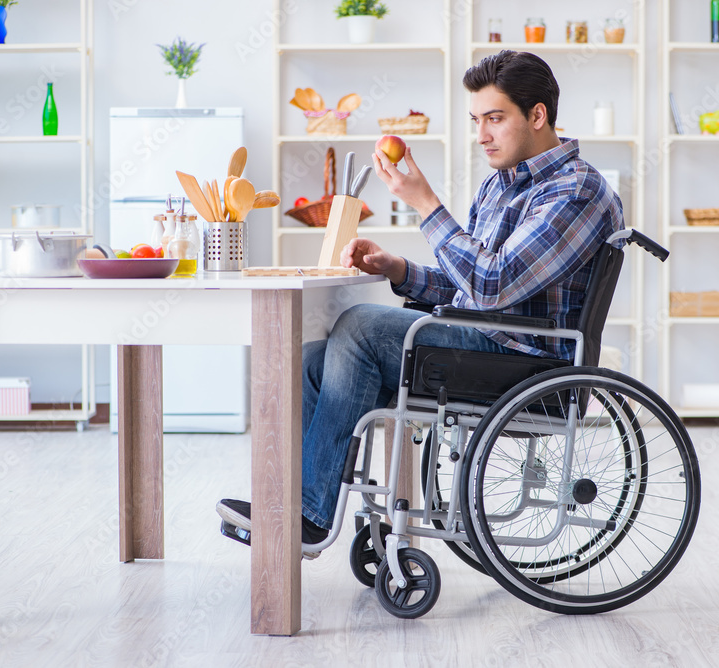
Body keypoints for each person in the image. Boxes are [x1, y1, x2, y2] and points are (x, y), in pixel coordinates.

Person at [217, 50, 624, 558]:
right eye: (477, 121)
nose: (482, 135)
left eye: (495, 119)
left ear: (537, 115)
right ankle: (292, 507)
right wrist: (399, 270)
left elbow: (494, 285)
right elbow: (469, 288)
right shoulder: (501, 185)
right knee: (314, 361)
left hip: (527, 366)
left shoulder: (576, 190)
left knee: (360, 327)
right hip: (483, 342)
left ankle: (310, 516)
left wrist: (427, 205)